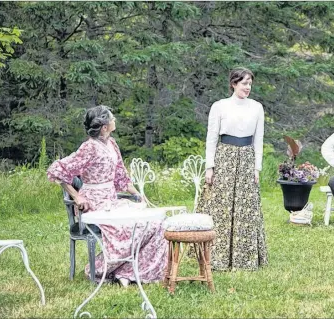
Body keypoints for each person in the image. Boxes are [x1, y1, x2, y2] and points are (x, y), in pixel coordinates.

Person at [47, 105, 167, 286]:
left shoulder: (112, 144)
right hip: (94, 203)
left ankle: (128, 272)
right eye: (112, 119)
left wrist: (138, 194)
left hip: (111, 199)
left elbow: (121, 176)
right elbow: (57, 170)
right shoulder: (89, 147)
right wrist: (76, 197)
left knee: (156, 223)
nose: (114, 121)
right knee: (129, 227)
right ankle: (97, 269)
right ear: (104, 126)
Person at [196, 67, 268, 271]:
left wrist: (257, 168)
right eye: (244, 83)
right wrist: (209, 166)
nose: (248, 87)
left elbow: (259, 139)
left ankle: (244, 258)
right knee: (221, 206)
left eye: (250, 84)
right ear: (234, 83)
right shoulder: (220, 106)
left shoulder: (256, 107)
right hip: (224, 157)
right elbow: (211, 137)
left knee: (246, 208)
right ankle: (217, 256)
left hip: (246, 157)